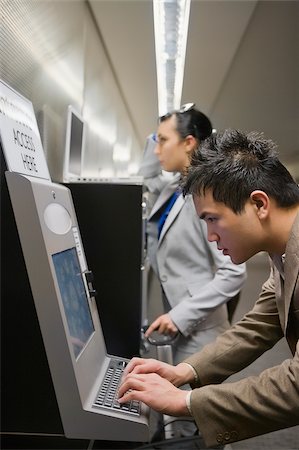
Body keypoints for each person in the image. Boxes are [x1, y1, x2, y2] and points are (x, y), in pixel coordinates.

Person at [119, 129, 299, 447]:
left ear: (259, 204)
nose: (210, 236)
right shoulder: (282, 250)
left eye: (212, 219)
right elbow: (257, 326)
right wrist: (184, 372)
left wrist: (185, 403)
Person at [139, 104, 246, 368]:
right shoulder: (174, 187)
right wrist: (158, 132)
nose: (156, 149)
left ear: (188, 142)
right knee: (174, 402)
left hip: (200, 329)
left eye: (163, 140)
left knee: (187, 406)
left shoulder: (208, 194)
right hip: (174, 319)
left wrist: (180, 317)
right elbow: (147, 175)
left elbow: (233, 273)